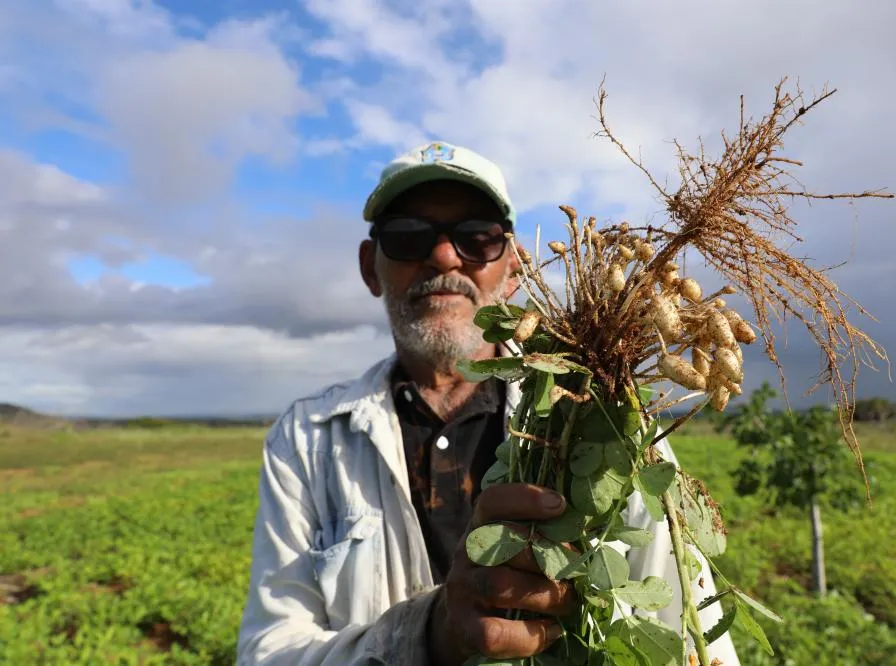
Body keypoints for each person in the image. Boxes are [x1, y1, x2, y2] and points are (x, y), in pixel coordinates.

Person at [235, 141, 741, 665]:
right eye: (407, 236)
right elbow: (267, 652)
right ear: (370, 266)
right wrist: (429, 634)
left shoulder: (608, 417)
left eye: (477, 238)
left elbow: (691, 638)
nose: (444, 256)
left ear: (515, 269)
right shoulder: (307, 437)